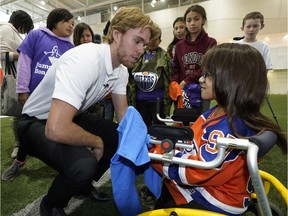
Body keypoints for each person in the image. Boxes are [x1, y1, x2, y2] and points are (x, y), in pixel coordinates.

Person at [15, 6, 159, 216]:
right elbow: (55, 129)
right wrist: (96, 142)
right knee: (84, 164)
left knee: (115, 136)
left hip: (66, 117)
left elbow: (123, 116)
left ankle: (83, 186)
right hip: (34, 122)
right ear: (116, 34)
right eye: (137, 41)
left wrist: (147, 143)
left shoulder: (120, 70)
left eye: (144, 45)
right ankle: (52, 204)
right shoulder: (86, 59)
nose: (141, 50)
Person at [150, 43, 287, 215]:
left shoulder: (230, 128)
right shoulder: (223, 111)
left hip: (212, 200)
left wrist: (155, 156)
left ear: (231, 80)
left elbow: (197, 171)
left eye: (207, 75)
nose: (200, 79)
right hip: (214, 189)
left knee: (165, 196)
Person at [2, 8, 75, 181]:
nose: (71, 26)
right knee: (26, 129)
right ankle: (19, 161)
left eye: (73, 23)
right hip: (34, 96)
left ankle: (66, 167)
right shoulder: (36, 35)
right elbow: (25, 63)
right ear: (55, 21)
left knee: (60, 131)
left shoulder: (71, 47)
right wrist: (22, 89)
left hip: (58, 97)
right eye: (67, 22)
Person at [0, 10, 34, 159]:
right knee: (18, 114)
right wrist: (24, 55)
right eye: (26, 28)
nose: (25, 32)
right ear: (22, 24)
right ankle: (18, 144)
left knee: (24, 113)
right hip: (15, 78)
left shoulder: (12, 31)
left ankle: (24, 142)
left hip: (22, 77)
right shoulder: (6, 29)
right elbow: (2, 54)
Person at [171, 5, 217, 114]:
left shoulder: (211, 43)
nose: (192, 23)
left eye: (196, 19)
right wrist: (175, 83)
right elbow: (176, 68)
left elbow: (207, 67)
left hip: (203, 89)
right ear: (186, 23)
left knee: (201, 119)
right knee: (185, 121)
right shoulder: (179, 45)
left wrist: (187, 80)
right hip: (184, 90)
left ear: (203, 20)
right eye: (189, 20)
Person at [129, 27, 172, 130]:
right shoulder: (137, 54)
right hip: (140, 99)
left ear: (160, 41)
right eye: (150, 38)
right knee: (142, 127)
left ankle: (159, 146)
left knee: (159, 127)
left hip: (158, 100)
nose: (152, 41)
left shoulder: (165, 56)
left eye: (155, 38)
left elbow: (169, 75)